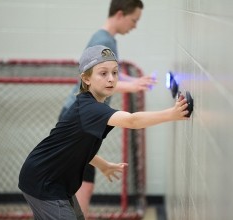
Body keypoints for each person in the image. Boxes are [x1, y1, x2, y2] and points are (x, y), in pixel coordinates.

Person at [19, 45, 189, 219]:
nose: (111, 79)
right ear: (86, 79)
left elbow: (76, 149)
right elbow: (132, 120)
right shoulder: (90, 109)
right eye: (103, 73)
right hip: (43, 182)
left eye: (115, 73)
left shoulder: (91, 106)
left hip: (51, 182)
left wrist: (103, 165)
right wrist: (172, 114)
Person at [57, 0, 155, 216]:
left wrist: (135, 80)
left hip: (84, 120)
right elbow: (101, 81)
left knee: (84, 180)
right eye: (133, 20)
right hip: (79, 120)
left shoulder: (106, 39)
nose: (135, 26)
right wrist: (132, 86)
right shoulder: (103, 39)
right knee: (84, 182)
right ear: (120, 14)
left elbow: (108, 74)